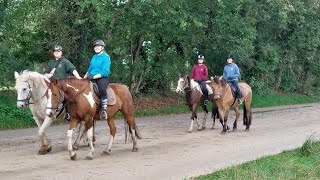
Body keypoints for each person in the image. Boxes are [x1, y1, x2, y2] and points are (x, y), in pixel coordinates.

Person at [45, 44, 82, 121]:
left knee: (66, 96)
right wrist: (48, 75)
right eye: (55, 51)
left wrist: (78, 77)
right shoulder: (51, 63)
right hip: (52, 84)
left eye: (58, 51)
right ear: (53, 52)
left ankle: (68, 113)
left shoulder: (65, 61)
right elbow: (45, 73)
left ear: (61, 52)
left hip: (62, 84)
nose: (56, 52)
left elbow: (72, 69)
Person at [83, 39, 111, 120]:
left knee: (102, 89)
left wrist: (93, 77)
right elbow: (89, 69)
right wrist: (83, 78)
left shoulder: (106, 57)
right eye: (95, 46)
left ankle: (104, 109)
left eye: (98, 46)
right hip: (91, 77)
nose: (96, 47)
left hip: (102, 77)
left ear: (102, 47)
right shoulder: (94, 57)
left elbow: (105, 71)